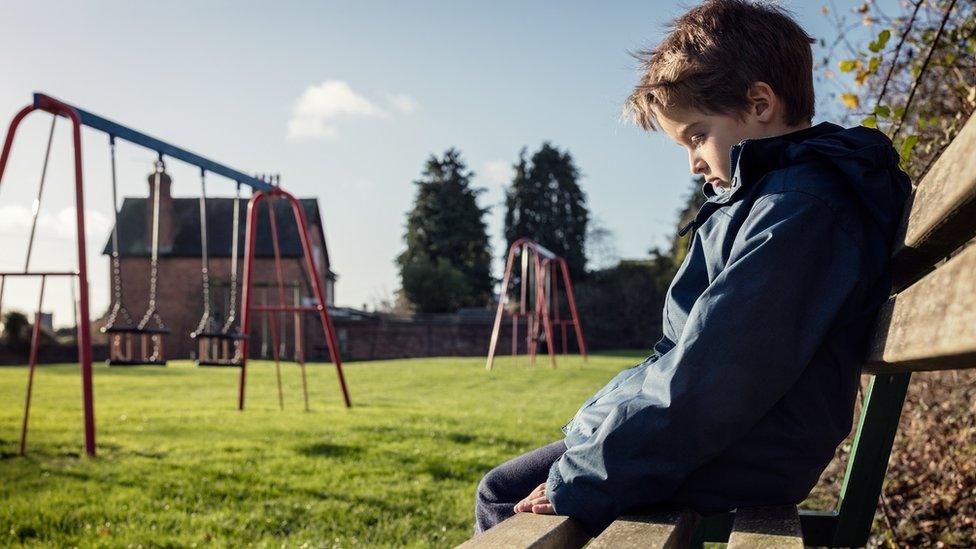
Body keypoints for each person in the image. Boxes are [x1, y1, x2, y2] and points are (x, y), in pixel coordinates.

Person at [474, 0, 913, 536]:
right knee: (517, 482)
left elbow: (721, 372)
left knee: (505, 496)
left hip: (747, 444)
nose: (693, 162)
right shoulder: (765, 201)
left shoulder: (801, 210)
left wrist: (584, 476)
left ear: (759, 103)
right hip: (735, 434)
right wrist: (598, 429)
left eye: (698, 135)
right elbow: (691, 354)